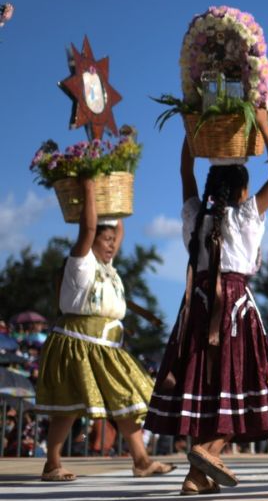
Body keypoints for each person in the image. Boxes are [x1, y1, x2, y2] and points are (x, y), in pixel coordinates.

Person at [146, 108, 268, 494]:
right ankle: (208, 452)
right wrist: (262, 123)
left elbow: (184, 173)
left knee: (210, 386)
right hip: (235, 306)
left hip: (198, 305)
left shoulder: (196, 214)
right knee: (240, 380)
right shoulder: (246, 215)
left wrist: (192, 131)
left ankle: (195, 477)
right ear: (243, 189)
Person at [34, 178, 174, 482]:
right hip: (78, 343)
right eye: (105, 237)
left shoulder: (109, 269)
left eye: (113, 238)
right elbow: (86, 228)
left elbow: (118, 229)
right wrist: (89, 185)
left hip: (106, 346)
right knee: (69, 405)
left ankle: (141, 460)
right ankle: (52, 463)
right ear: (91, 239)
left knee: (125, 399)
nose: (111, 243)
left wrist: (114, 181)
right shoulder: (80, 263)